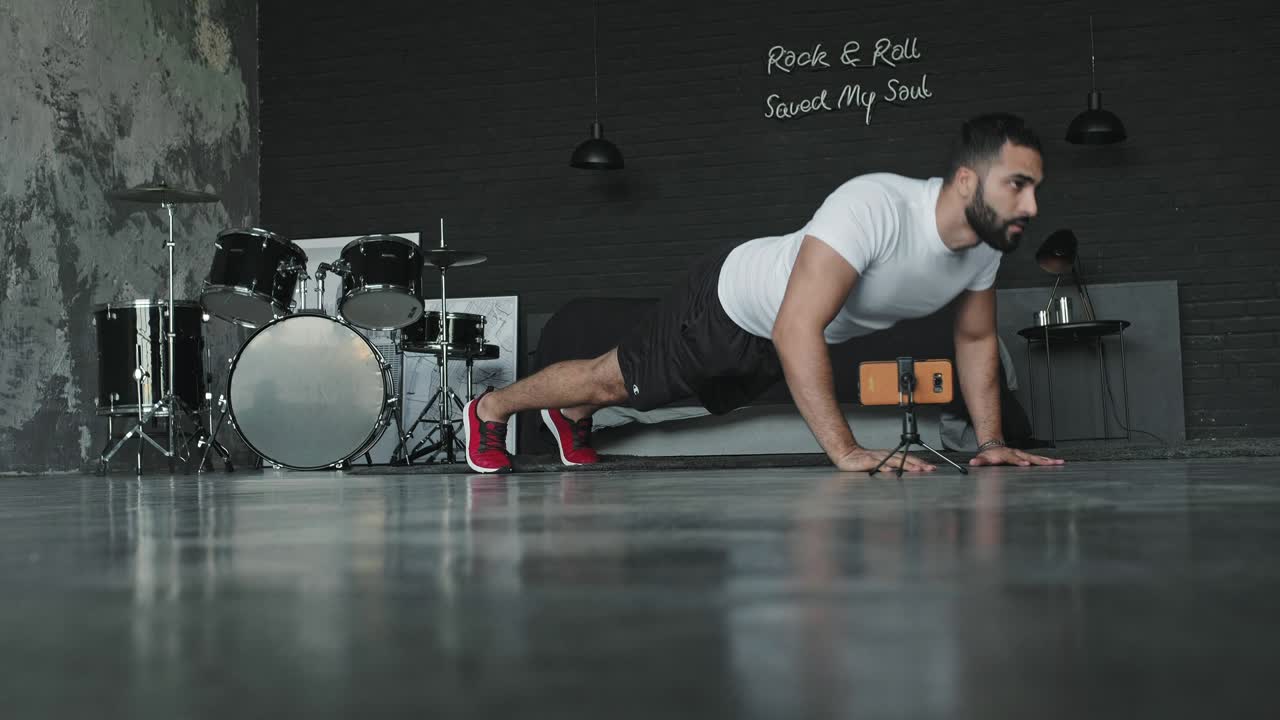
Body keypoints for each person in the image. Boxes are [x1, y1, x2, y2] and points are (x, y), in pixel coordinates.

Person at [463, 112, 1065, 474]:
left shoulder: (984, 248)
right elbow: (795, 328)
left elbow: (978, 336)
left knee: (656, 392)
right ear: (966, 180)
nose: (1031, 206)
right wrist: (848, 451)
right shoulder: (876, 207)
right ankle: (489, 410)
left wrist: (990, 444)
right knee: (613, 378)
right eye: (1017, 185)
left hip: (769, 339)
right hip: (725, 305)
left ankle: (570, 418)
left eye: (1034, 188)